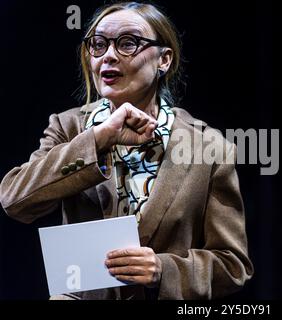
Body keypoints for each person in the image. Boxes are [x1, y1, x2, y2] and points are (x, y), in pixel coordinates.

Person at [0, 1, 253, 300]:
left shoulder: (208, 148)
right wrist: (98, 139)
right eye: (98, 44)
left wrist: (164, 269)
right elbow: (14, 200)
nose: (108, 56)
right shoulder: (69, 128)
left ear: (164, 60)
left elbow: (232, 264)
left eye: (127, 43)